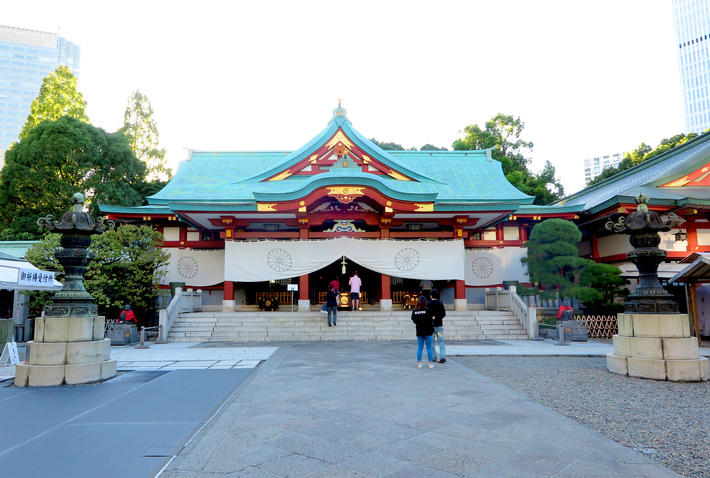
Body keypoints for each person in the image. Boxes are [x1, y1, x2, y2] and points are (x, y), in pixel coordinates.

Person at [411, 296, 434, 368]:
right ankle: (430, 363)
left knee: (420, 347)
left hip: (419, 331)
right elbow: (432, 318)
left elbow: (414, 320)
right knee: (429, 347)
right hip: (428, 331)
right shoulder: (428, 310)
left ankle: (419, 363)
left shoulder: (415, 311)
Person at [427, 289, 447, 363]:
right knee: (441, 341)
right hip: (439, 325)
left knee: (432, 342)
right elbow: (444, 314)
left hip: (431, 326)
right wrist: (438, 317)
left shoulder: (428, 304)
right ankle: (442, 357)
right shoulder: (440, 304)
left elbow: (427, 314)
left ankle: (433, 357)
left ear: (431, 296)